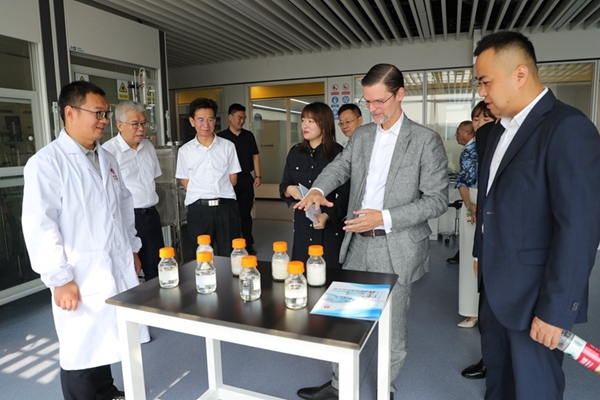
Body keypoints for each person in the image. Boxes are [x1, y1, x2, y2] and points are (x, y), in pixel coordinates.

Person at [295, 64, 448, 399]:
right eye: (368, 101)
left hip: (395, 246)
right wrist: (317, 189)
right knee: (342, 318)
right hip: (356, 243)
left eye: (380, 101)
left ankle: (383, 390)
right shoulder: (363, 135)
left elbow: (437, 200)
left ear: (400, 94)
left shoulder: (425, 140)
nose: (374, 108)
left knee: (392, 328)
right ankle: (339, 385)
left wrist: (384, 217)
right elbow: (340, 167)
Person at [473, 31, 600, 399]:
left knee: (534, 389)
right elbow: (490, 199)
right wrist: (479, 253)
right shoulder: (495, 133)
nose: (482, 92)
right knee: (498, 381)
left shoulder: (567, 128)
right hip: (494, 288)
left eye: (486, 81)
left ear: (520, 74)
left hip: (536, 298)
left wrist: (556, 311)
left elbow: (579, 227)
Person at [21, 81, 149, 400]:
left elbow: (123, 206)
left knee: (108, 336)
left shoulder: (106, 158)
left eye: (105, 113)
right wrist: (59, 279)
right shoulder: (47, 163)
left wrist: (132, 248)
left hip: (113, 261)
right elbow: (40, 225)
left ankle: (106, 392)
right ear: (70, 112)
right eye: (98, 113)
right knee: (81, 346)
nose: (104, 120)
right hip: (77, 272)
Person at [280, 102, 349, 268]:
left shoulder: (339, 154)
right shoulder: (295, 152)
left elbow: (347, 194)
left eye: (310, 121)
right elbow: (284, 185)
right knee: (301, 270)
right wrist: (289, 190)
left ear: (323, 124)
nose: (305, 125)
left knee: (329, 271)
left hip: (330, 226)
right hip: (303, 224)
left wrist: (328, 215)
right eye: (303, 120)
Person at [103, 101, 164, 281]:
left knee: (158, 268)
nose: (141, 129)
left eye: (143, 123)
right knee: (131, 270)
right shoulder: (108, 152)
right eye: (135, 124)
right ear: (119, 125)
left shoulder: (148, 147)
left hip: (151, 215)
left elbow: (153, 179)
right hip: (128, 219)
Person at [176, 97, 241, 256]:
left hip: (225, 208)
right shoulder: (185, 151)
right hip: (199, 210)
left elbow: (233, 179)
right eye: (200, 119)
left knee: (229, 253)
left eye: (210, 119)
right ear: (192, 121)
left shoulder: (228, 146)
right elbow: (185, 182)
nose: (206, 124)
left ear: (215, 121)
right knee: (202, 255)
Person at [460, 100, 497, 379]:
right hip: (474, 207)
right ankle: (473, 311)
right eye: (476, 119)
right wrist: (471, 205)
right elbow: (464, 181)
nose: (480, 123)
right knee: (473, 265)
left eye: (485, 118)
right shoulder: (472, 148)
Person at [218, 103, 261, 255]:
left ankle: (248, 243)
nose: (241, 121)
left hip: (245, 179)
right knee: (229, 214)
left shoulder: (248, 136)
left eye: (244, 118)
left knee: (245, 214)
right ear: (230, 117)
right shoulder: (221, 138)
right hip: (227, 181)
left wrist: (258, 175)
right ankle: (232, 243)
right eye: (239, 117)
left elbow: (255, 155)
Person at [453, 121, 479, 329]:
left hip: (473, 202)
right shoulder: (474, 150)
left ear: (469, 133)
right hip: (473, 201)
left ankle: (473, 312)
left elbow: (463, 180)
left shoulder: (472, 151)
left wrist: (470, 204)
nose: (456, 135)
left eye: (459, 131)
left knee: (472, 257)